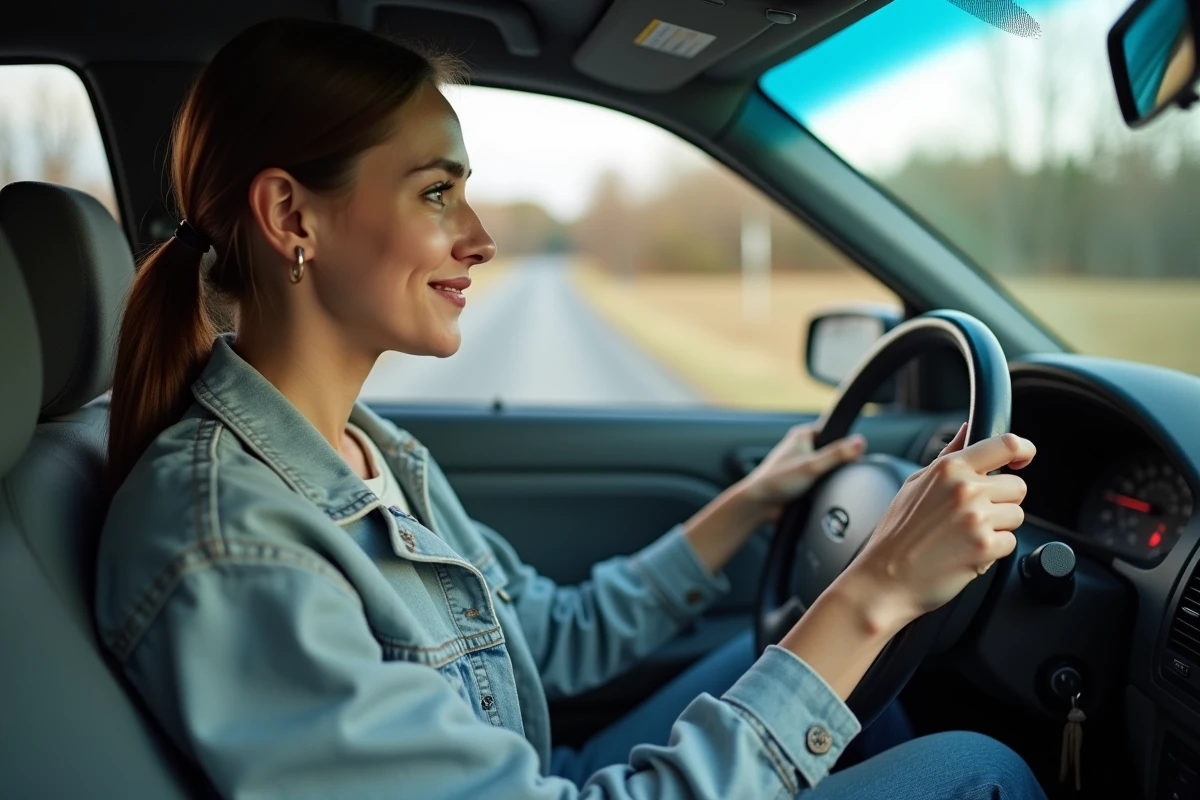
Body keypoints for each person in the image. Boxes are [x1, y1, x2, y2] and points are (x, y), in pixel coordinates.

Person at [96, 18, 1045, 800]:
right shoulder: (228, 543)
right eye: (437, 193)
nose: (480, 239)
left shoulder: (366, 450)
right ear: (292, 217)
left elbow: (552, 638)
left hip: (543, 772)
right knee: (979, 770)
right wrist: (872, 591)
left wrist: (756, 499)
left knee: (850, 691)